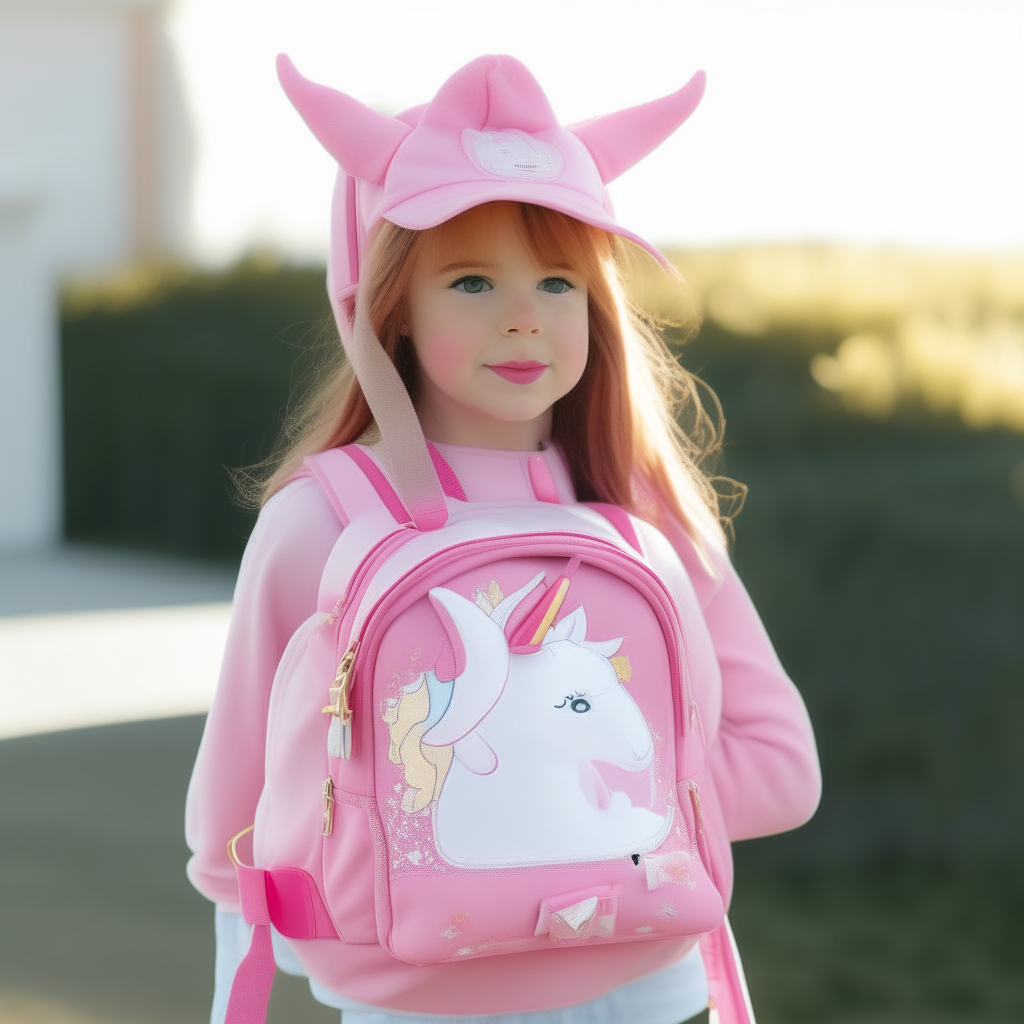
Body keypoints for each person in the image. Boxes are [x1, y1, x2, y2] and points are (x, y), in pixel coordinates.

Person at [184, 53, 821, 1024]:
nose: (524, 319)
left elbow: (783, 767)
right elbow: (232, 827)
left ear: (599, 301)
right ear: (386, 305)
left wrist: (538, 797)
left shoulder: (644, 511)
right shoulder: (321, 520)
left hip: (643, 985)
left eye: (559, 282)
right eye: (473, 281)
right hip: (424, 1002)